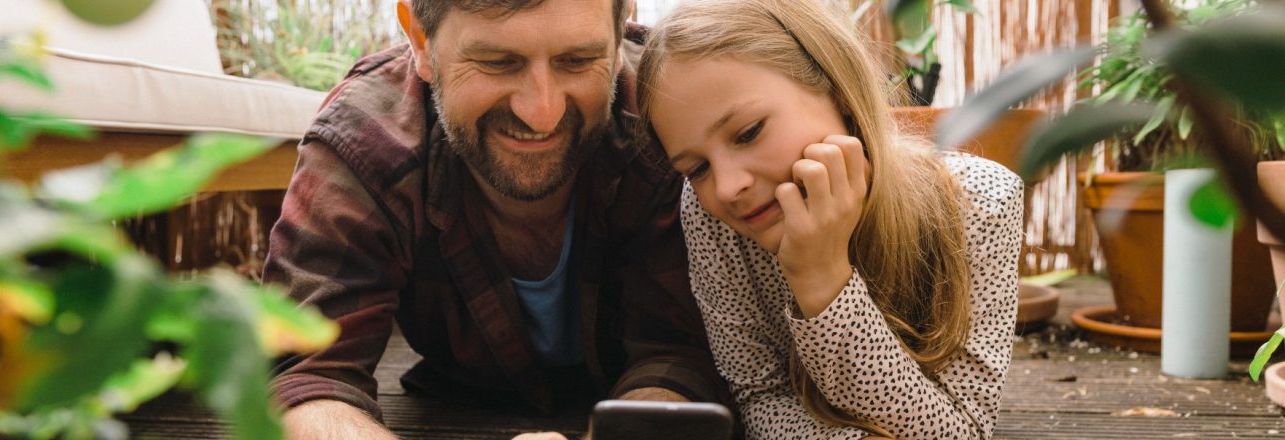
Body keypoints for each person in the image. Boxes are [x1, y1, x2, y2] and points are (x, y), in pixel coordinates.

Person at [262, 0, 734, 438]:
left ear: (621, 26)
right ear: (421, 38)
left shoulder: (672, 119)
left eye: (577, 61)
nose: (541, 114)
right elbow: (306, 375)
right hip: (457, 395)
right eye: (497, 62)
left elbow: (681, 355)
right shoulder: (364, 141)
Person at [635, 0, 1023, 438]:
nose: (726, 187)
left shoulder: (981, 203)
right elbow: (757, 395)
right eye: (697, 168)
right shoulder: (711, 220)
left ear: (837, 90)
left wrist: (824, 281)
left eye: (748, 132)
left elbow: (963, 431)